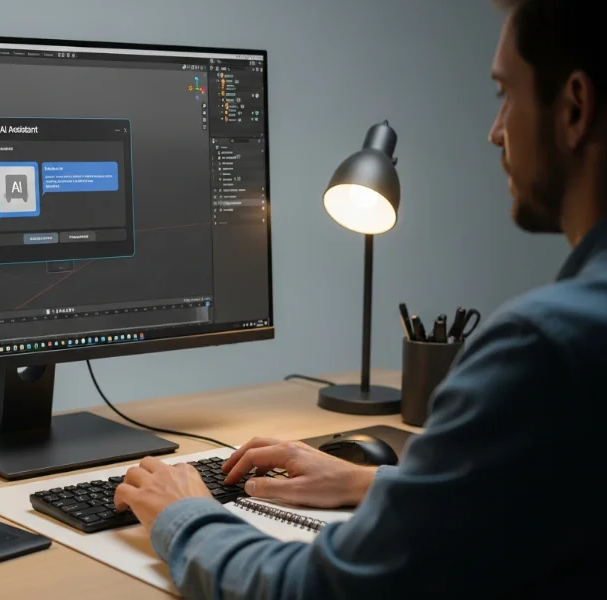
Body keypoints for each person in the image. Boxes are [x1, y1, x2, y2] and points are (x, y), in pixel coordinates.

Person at [113, 1, 605, 597]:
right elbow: (541, 499)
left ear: (574, 107)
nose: (495, 131)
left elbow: (312, 590)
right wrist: (368, 483)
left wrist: (183, 514)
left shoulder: (547, 348)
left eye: (505, 94)